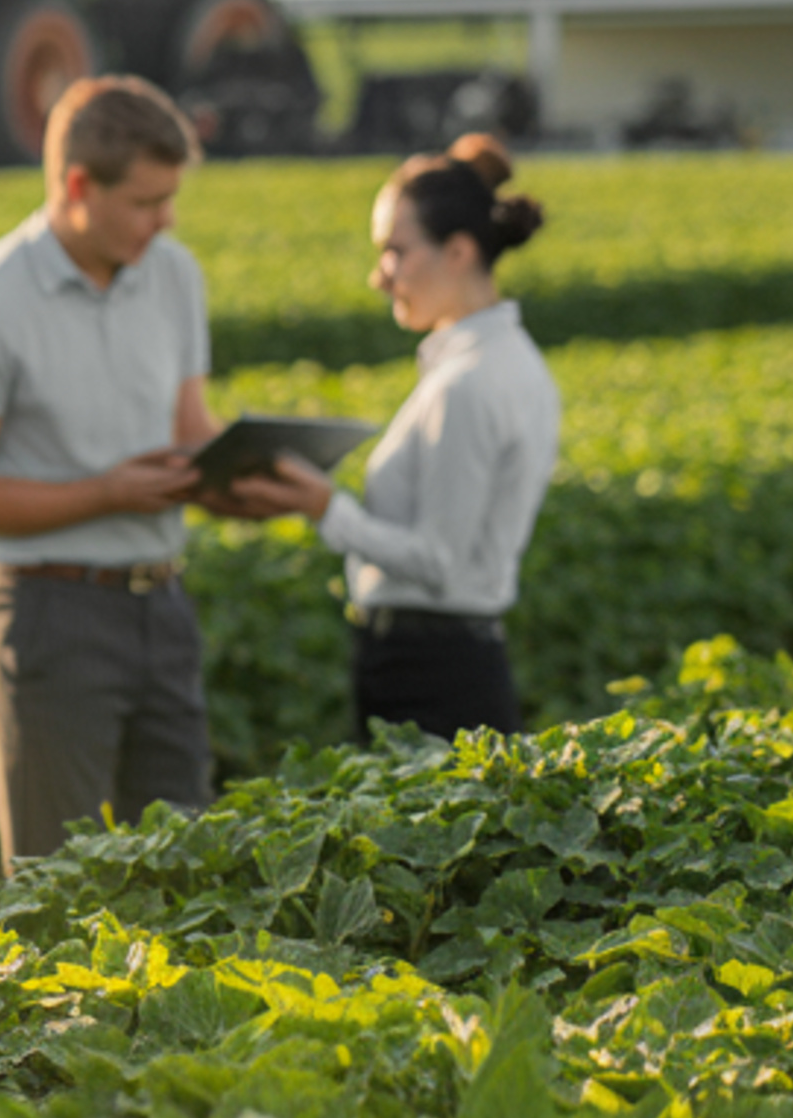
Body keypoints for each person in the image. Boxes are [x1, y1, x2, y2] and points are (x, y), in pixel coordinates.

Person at [0, 75, 261, 866]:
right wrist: (104, 493)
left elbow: (190, 429)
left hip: (163, 603)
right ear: (78, 187)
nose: (164, 220)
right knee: (56, 876)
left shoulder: (174, 274)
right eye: (145, 202)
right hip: (48, 614)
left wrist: (251, 478)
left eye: (169, 199)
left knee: (189, 868)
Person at [226, 136, 558, 737]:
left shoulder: (466, 383)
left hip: (428, 667)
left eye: (395, 253)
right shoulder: (515, 362)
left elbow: (437, 561)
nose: (380, 276)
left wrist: (325, 507)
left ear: (458, 251)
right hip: (454, 659)